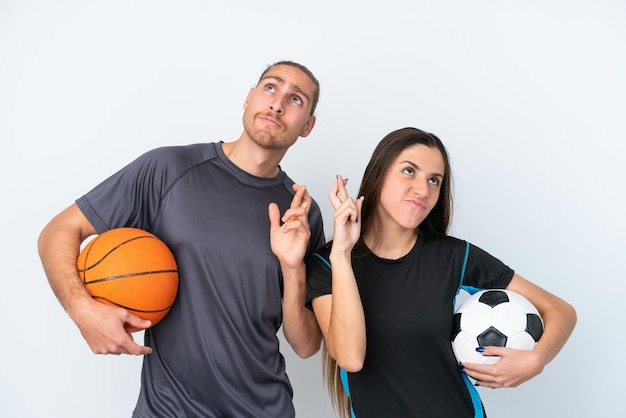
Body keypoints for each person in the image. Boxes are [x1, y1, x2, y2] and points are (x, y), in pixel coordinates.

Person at [38, 60, 325, 418]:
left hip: (262, 409)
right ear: (249, 98)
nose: (277, 103)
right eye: (270, 87)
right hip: (167, 410)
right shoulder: (168, 169)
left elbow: (306, 345)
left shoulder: (302, 213)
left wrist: (293, 267)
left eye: (296, 99)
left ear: (307, 126)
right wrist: (83, 311)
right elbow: (58, 232)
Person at [305, 127, 577, 418]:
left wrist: (537, 359)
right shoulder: (329, 263)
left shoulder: (455, 256)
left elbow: (560, 310)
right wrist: (343, 255)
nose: (423, 190)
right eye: (409, 171)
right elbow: (350, 357)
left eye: (434, 180)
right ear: (378, 174)